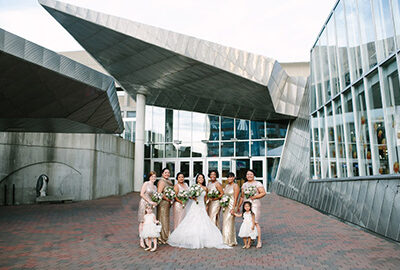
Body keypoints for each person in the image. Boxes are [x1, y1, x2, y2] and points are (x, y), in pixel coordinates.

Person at [167, 173, 231, 249]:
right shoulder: (194, 187)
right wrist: (193, 197)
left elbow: (206, 198)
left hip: (202, 206)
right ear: (197, 179)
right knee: (193, 221)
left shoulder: (205, 188)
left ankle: (203, 238)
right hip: (195, 205)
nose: (201, 179)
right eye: (199, 178)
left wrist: (207, 205)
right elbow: (190, 196)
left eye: (202, 178)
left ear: (204, 179)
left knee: (203, 221)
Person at [237, 169, 266, 248]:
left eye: (251, 174)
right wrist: (239, 206)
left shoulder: (257, 183)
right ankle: (251, 239)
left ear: (254, 175)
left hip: (255, 204)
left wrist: (254, 196)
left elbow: (263, 193)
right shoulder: (244, 185)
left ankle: (259, 241)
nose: (249, 176)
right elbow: (242, 197)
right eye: (248, 174)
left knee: (255, 222)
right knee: (248, 222)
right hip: (246, 205)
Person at [138, 171, 157, 248]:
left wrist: (155, 202)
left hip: (151, 205)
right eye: (152, 176)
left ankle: (147, 238)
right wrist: (149, 201)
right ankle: (141, 239)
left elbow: (154, 197)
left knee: (149, 222)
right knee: (142, 221)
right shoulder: (146, 183)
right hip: (144, 203)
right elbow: (141, 194)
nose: (153, 178)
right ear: (149, 177)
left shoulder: (155, 187)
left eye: (155, 177)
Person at [222, 172, 239, 246]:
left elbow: (236, 198)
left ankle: (230, 241)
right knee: (225, 222)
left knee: (229, 223)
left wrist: (234, 208)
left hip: (232, 206)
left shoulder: (235, 186)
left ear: (234, 178)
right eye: (228, 177)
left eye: (231, 177)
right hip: (226, 206)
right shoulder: (226, 186)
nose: (230, 178)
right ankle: (226, 239)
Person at [156, 168, 173, 244]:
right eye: (165, 172)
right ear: (162, 174)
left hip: (167, 203)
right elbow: (159, 193)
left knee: (166, 219)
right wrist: (167, 198)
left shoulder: (169, 181)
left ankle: (166, 235)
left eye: (168, 173)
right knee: (162, 218)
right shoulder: (161, 182)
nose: (167, 174)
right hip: (163, 203)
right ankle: (162, 237)